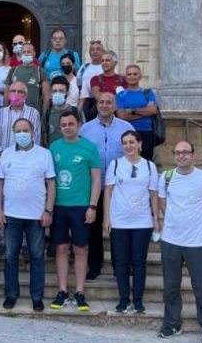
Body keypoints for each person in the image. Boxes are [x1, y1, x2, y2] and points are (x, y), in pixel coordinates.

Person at [157, 141, 202, 342]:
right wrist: (176, 221)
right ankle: (171, 324)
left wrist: (196, 224)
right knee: (171, 285)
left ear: (193, 154)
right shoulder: (166, 177)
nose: (181, 156)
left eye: (185, 152)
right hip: (171, 239)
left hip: (197, 242)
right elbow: (162, 202)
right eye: (178, 152)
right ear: (174, 155)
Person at [0, 118, 56, 312]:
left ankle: (37, 296)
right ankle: (11, 294)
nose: (22, 133)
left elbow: (51, 184)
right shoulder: (5, 154)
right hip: (11, 214)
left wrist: (48, 210)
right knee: (10, 256)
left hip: (36, 216)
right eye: (18, 130)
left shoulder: (44, 154)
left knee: (37, 256)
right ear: (14, 134)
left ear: (33, 132)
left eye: (25, 130)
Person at [48, 111, 101, 312]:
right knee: (61, 249)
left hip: (81, 207)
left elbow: (96, 179)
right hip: (59, 207)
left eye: (71, 123)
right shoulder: (54, 148)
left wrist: (93, 206)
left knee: (80, 249)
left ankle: (79, 292)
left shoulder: (89, 148)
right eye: (64, 124)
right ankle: (62, 291)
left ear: (79, 124)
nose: (67, 127)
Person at [80, 92, 134, 282]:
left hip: (118, 189)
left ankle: (121, 267)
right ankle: (95, 266)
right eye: (101, 102)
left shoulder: (126, 128)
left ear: (115, 105)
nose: (104, 105)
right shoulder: (85, 129)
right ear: (97, 105)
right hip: (93, 188)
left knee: (118, 230)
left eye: (108, 102)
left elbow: (132, 156)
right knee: (93, 229)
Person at [103, 130, 159, 314]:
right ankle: (123, 299)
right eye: (125, 143)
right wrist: (106, 218)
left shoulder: (150, 166)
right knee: (120, 261)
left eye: (131, 142)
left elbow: (153, 195)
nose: (128, 146)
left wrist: (155, 220)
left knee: (139, 261)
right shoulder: (116, 164)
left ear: (140, 144)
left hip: (142, 221)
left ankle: (138, 300)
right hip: (119, 220)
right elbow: (109, 192)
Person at [116, 64, 159, 161]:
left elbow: (152, 110)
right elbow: (121, 116)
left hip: (146, 132)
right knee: (128, 161)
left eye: (135, 74)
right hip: (127, 132)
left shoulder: (148, 93)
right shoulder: (121, 95)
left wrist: (132, 111)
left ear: (140, 76)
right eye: (129, 74)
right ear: (125, 77)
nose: (132, 77)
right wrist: (144, 112)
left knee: (146, 161)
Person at [0, 81, 41, 154]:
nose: (16, 94)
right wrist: (1, 153)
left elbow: (36, 138)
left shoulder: (33, 113)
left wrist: (25, 154)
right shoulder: (0, 113)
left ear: (26, 95)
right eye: (13, 91)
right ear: (8, 94)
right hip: (2, 157)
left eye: (20, 92)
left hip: (26, 157)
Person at [4, 42, 50, 111]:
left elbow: (46, 96)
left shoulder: (40, 72)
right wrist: (5, 111)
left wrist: (44, 115)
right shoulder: (13, 70)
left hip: (34, 113)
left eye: (29, 52)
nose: (26, 54)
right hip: (14, 112)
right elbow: (6, 93)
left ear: (34, 54)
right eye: (24, 52)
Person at [83, 50, 127, 119]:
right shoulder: (95, 79)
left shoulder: (123, 79)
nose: (104, 63)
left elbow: (125, 97)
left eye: (107, 60)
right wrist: (117, 96)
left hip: (119, 116)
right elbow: (97, 95)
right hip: (100, 115)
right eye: (102, 61)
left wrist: (104, 95)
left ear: (115, 63)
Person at [44, 76, 81, 147]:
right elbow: (45, 139)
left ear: (67, 92)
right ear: (51, 93)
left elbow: (82, 135)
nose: (57, 94)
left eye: (61, 91)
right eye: (55, 91)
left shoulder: (76, 112)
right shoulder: (47, 114)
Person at [78, 40, 105, 109]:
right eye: (92, 50)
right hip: (86, 103)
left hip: (103, 103)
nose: (95, 52)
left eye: (98, 49)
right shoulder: (83, 68)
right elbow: (78, 85)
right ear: (89, 53)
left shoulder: (107, 67)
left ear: (103, 52)